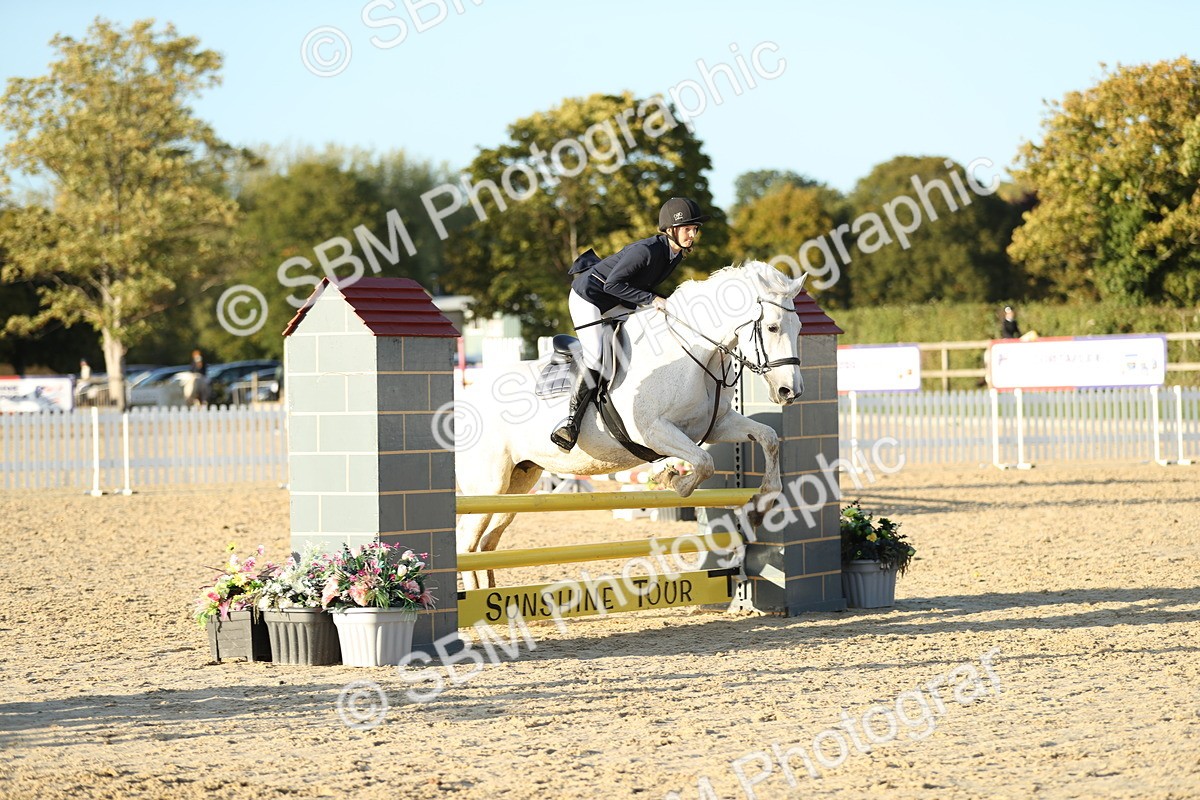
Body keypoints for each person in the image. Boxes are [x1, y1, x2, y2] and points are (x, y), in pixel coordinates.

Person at [549, 197, 710, 450]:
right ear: (671, 230)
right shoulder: (646, 251)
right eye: (688, 228)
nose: (692, 234)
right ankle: (570, 422)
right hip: (589, 297)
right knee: (596, 355)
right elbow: (612, 284)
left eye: (695, 229)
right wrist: (652, 299)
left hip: (618, 299)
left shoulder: (674, 255)